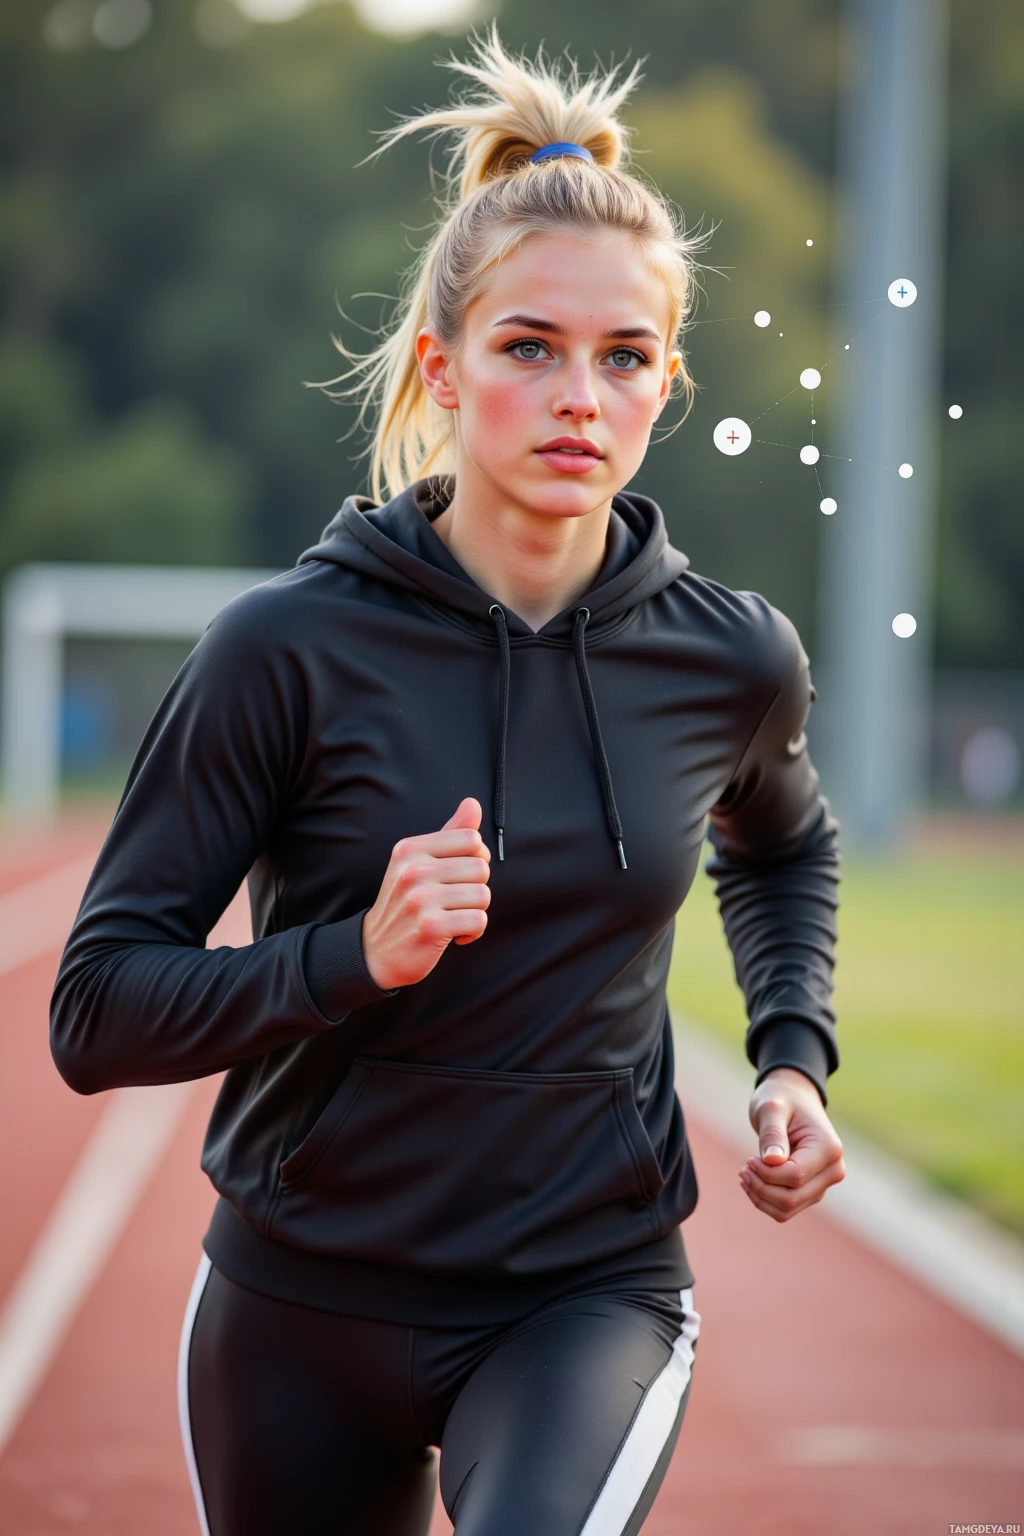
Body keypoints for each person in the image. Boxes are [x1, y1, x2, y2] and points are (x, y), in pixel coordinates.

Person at [50, 27, 846, 1536]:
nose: (578, 397)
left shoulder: (731, 657)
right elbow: (95, 1013)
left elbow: (784, 846)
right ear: (444, 364)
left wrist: (792, 1055)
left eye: (623, 359)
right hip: (299, 1299)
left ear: (665, 386)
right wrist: (357, 957)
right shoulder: (283, 650)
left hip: (583, 1293)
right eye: (529, 347)